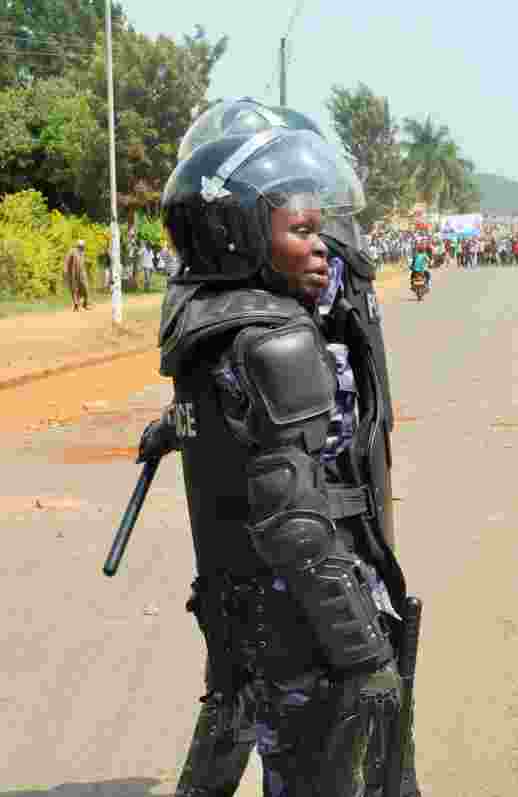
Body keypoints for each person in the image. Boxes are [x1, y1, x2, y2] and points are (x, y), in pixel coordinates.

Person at [134, 98, 420, 797]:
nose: (324, 248)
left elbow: (228, 410)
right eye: (302, 230)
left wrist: (178, 427)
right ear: (239, 230)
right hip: (300, 610)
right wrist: (365, 653)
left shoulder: (202, 307)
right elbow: (294, 520)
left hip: (239, 595)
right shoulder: (275, 337)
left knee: (239, 725)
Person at [64, 240, 90, 310]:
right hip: (73, 274)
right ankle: (76, 305)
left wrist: (87, 263)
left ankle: (85, 304)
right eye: (81, 246)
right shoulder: (72, 251)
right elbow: (66, 261)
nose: (82, 248)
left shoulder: (83, 253)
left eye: (83, 246)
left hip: (82, 274)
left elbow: (83, 262)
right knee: (74, 289)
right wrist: (66, 271)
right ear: (78, 246)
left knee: (85, 288)